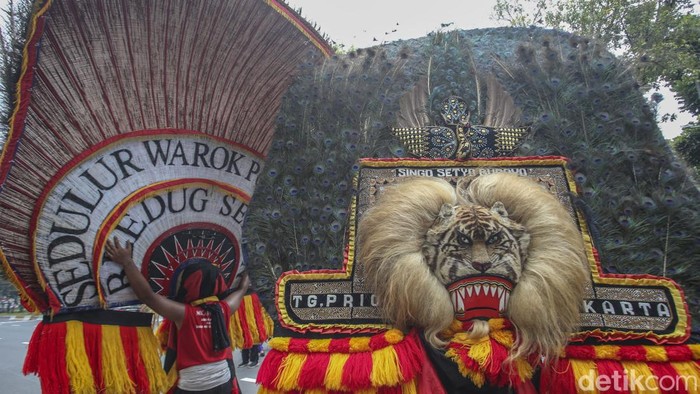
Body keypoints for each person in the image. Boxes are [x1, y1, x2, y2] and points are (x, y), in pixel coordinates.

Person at [105, 237, 250, 394]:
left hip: (193, 387)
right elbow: (241, 290)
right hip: (224, 383)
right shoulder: (224, 309)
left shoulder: (184, 313)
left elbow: (148, 296)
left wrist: (127, 262)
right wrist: (250, 266)